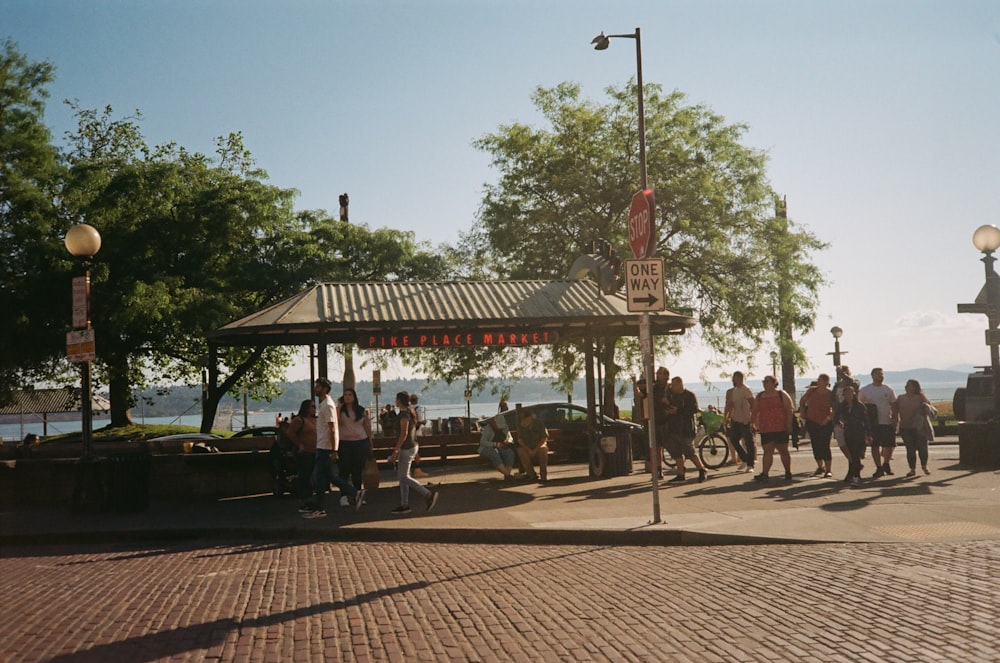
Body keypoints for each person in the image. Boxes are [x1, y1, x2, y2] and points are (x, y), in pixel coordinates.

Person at [303, 378, 365, 519]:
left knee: (320, 478)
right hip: (322, 445)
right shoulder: (324, 404)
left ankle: (320, 508)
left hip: (325, 447)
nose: (316, 388)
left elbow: (333, 428)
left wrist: (334, 449)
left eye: (318, 386)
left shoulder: (328, 406)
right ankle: (354, 492)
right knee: (327, 476)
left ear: (324, 389)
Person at [390, 390, 439, 515]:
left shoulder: (404, 415)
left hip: (406, 448)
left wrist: (396, 450)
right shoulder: (410, 412)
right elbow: (412, 433)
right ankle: (404, 504)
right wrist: (416, 452)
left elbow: (404, 434)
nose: (395, 401)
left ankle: (427, 494)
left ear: (399, 401)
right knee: (403, 477)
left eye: (396, 399)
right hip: (411, 446)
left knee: (404, 477)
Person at [664, 376, 710, 483]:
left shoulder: (689, 395)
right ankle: (680, 473)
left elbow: (694, 410)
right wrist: (668, 410)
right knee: (676, 451)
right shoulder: (672, 396)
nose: (673, 387)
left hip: (686, 428)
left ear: (680, 384)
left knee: (689, 450)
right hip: (674, 427)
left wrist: (678, 410)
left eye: (674, 385)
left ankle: (702, 469)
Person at [753, 375, 795, 482]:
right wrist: (752, 423)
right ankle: (765, 473)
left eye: (767, 381)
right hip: (766, 428)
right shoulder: (760, 396)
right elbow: (755, 410)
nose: (764, 383)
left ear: (774, 383)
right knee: (767, 451)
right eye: (764, 381)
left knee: (783, 451)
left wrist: (789, 424)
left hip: (780, 427)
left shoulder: (781, 394)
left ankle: (788, 471)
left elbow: (789, 409)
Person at [859, 367, 898, 478]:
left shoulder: (888, 389)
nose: (880, 376)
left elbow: (894, 405)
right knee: (874, 446)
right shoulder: (866, 390)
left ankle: (886, 463)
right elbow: (860, 405)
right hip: (873, 423)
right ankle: (879, 467)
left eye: (882, 374)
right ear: (872, 376)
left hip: (887, 421)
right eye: (878, 374)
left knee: (889, 445)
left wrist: (896, 418)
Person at [338, 387, 373, 500]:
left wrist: (370, 443)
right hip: (345, 443)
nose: (347, 397)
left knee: (357, 470)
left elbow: (367, 427)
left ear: (354, 397)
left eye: (350, 395)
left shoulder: (360, 410)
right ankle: (343, 495)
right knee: (344, 469)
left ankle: (358, 493)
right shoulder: (341, 410)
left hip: (360, 442)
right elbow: (336, 425)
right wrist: (338, 408)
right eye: (345, 395)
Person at [283, 399, 317, 512]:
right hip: (303, 452)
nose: (314, 409)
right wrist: (299, 444)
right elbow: (289, 433)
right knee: (304, 476)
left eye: (315, 407)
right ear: (306, 408)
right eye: (312, 406)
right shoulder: (299, 420)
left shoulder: (314, 420)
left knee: (313, 475)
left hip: (314, 451)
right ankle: (304, 500)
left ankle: (311, 499)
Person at [896, 379, 935, 477]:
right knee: (910, 449)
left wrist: (924, 402)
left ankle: (924, 465)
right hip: (905, 427)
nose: (908, 387)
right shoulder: (901, 397)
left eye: (910, 385)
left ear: (915, 387)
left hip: (919, 427)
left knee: (923, 448)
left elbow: (929, 407)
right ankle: (912, 469)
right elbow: (895, 409)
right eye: (907, 385)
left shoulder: (920, 397)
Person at [799, 374, 835, 478]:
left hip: (825, 422)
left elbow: (834, 409)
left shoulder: (830, 394)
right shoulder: (812, 391)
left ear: (826, 382)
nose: (818, 382)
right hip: (812, 421)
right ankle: (820, 466)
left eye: (820, 380)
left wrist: (827, 419)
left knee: (825, 445)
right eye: (818, 379)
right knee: (816, 445)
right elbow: (802, 401)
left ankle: (828, 469)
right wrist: (802, 412)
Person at [836, 385, 871, 485]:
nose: (847, 396)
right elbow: (836, 417)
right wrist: (839, 422)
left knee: (856, 455)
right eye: (845, 394)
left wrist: (869, 434)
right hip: (848, 432)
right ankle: (851, 474)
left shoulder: (860, 406)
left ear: (854, 394)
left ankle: (857, 476)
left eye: (850, 393)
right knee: (851, 455)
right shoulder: (843, 406)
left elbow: (866, 421)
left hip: (859, 432)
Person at [724, 371, 756, 474]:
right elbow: (731, 405)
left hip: (745, 419)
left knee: (749, 442)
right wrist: (727, 417)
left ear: (739, 378)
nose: (733, 380)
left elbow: (752, 403)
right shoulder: (735, 391)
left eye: (734, 378)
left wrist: (753, 419)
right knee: (733, 440)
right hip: (736, 419)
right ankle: (745, 459)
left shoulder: (746, 390)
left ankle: (750, 464)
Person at [831, 366, 861, 467]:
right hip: (839, 415)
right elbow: (832, 399)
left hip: (851, 415)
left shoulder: (854, 382)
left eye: (844, 372)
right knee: (841, 442)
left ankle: (854, 462)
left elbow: (850, 380)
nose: (841, 374)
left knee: (852, 442)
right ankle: (851, 459)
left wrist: (842, 373)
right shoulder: (837, 385)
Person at [515, 408, 549, 482]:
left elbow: (543, 438)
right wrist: (529, 450)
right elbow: (520, 440)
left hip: (539, 446)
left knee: (543, 450)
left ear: (530, 418)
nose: (523, 420)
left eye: (525, 418)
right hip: (527, 447)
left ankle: (543, 476)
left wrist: (535, 449)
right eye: (522, 419)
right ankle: (531, 474)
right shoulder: (521, 426)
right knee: (520, 451)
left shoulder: (539, 423)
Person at [478, 413, 515, 480]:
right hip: (487, 448)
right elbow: (482, 442)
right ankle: (508, 475)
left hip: (501, 447)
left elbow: (510, 437)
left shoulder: (505, 427)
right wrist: (495, 444)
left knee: (509, 453)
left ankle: (507, 475)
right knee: (494, 454)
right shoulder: (488, 428)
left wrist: (508, 441)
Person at [651, 366, 671, 478]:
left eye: (662, 374)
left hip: (668, 420)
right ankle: (659, 469)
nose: (659, 375)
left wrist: (668, 403)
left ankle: (680, 467)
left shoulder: (670, 388)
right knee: (657, 446)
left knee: (670, 445)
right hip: (656, 419)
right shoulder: (654, 388)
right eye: (658, 373)